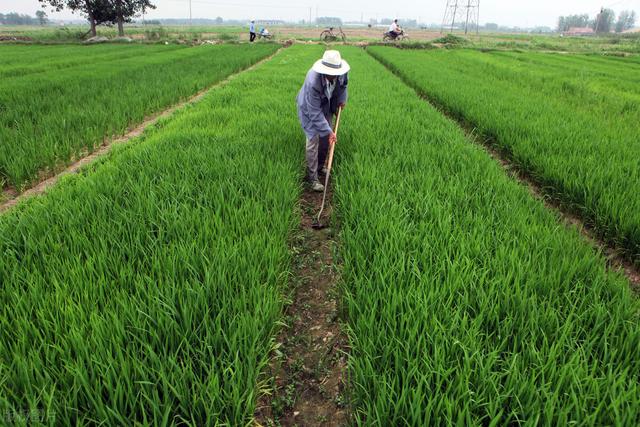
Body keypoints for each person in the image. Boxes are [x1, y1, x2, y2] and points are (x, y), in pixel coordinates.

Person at [296, 50, 349, 192]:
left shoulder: (341, 72)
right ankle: (312, 178)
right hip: (309, 109)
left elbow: (343, 86)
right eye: (330, 73)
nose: (334, 76)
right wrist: (328, 130)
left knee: (326, 138)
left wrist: (342, 101)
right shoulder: (313, 82)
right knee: (313, 139)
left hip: (328, 104)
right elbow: (314, 113)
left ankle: (320, 167)